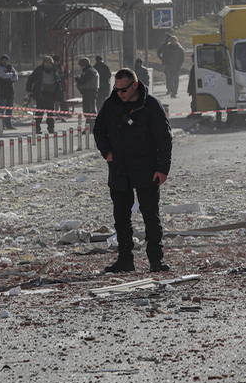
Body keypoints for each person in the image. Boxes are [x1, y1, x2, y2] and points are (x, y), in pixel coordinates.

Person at [93, 68, 173, 274]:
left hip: (146, 169)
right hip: (119, 169)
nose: (120, 93)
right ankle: (125, 260)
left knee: (150, 216)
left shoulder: (151, 105)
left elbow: (164, 138)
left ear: (135, 86)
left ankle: (156, 260)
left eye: (123, 89)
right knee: (121, 218)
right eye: (116, 89)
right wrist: (107, 152)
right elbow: (99, 129)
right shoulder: (111, 104)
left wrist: (162, 169)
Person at [25, 56, 62, 133]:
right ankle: (37, 129)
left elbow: (58, 83)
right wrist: (29, 90)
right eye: (46, 63)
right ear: (43, 63)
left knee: (50, 113)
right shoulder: (39, 70)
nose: (47, 64)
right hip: (40, 95)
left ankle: (51, 128)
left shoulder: (54, 71)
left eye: (49, 63)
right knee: (39, 113)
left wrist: (58, 95)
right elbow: (31, 79)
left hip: (51, 95)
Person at [0, 54, 18, 129]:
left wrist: (9, 79)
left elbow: (16, 77)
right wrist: (11, 75)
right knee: (2, 109)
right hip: (2, 91)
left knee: (10, 109)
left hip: (10, 91)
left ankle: (8, 124)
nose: (4, 61)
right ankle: (0, 124)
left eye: (6, 60)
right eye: (3, 60)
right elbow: (3, 76)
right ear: (1, 60)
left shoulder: (10, 67)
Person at [74, 57, 99, 128]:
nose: (81, 67)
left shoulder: (88, 71)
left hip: (88, 93)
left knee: (88, 111)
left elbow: (83, 80)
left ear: (84, 65)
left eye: (81, 65)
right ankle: (92, 126)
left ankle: (90, 127)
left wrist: (77, 79)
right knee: (91, 110)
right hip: (91, 92)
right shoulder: (92, 71)